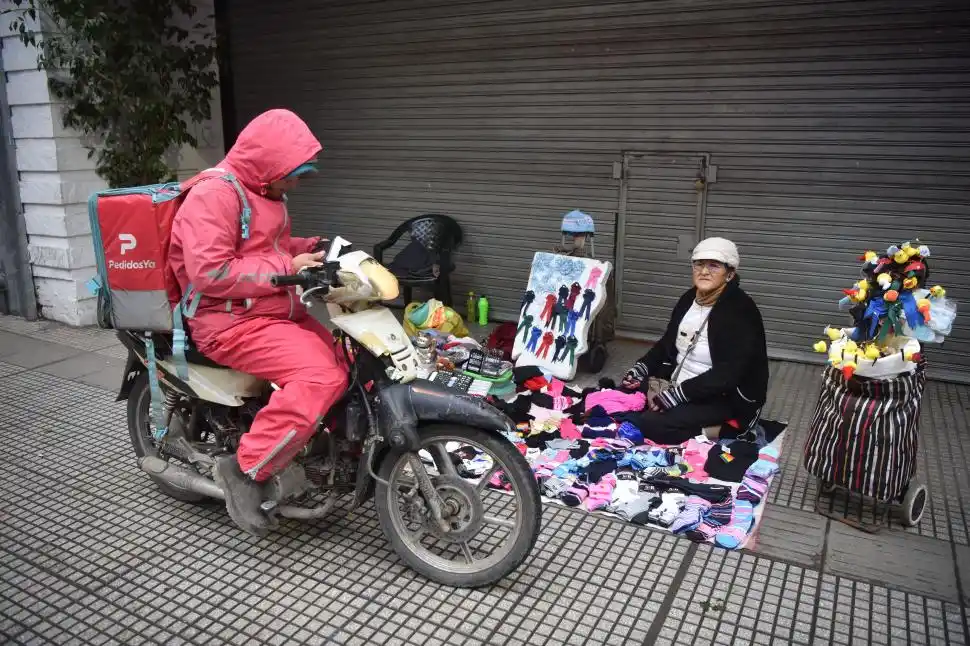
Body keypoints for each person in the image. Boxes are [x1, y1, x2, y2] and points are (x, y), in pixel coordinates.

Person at [169, 108, 349, 537]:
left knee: (349, 359)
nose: (295, 184)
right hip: (227, 323)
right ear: (268, 164)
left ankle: (317, 448)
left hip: (270, 311)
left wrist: (312, 248)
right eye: (292, 175)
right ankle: (246, 467)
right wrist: (289, 265)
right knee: (321, 376)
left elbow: (267, 246)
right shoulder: (214, 195)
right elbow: (210, 271)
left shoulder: (263, 192)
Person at [619, 237, 769, 445]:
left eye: (714, 266)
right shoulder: (689, 298)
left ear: (730, 274)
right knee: (626, 393)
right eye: (699, 264)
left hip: (722, 395)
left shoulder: (741, 311)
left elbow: (728, 374)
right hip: (680, 383)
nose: (704, 271)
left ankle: (725, 430)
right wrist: (641, 368)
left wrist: (677, 396)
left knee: (651, 424)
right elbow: (667, 343)